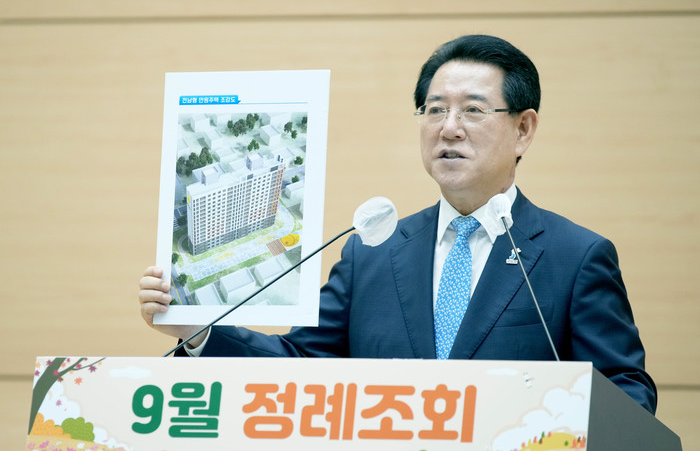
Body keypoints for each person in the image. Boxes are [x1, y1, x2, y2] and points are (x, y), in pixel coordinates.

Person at [139, 34, 657, 414]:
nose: (448, 128)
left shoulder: (575, 257)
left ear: (523, 129)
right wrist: (196, 329)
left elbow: (627, 395)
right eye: (434, 110)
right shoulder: (370, 252)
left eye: (473, 111)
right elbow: (299, 366)